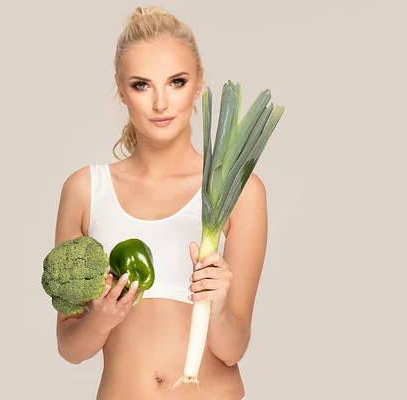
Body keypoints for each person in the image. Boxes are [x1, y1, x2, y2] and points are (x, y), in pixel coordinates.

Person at [53, 6, 267, 399]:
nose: (160, 103)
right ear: (121, 89)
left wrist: (216, 307)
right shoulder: (86, 190)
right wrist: (100, 320)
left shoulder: (241, 191)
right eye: (141, 85)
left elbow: (233, 348)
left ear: (199, 83)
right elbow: (70, 347)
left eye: (177, 82)